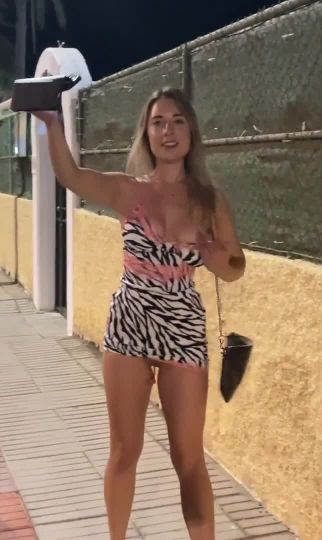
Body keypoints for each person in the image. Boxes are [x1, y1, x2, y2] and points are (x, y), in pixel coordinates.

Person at [32, 87, 246, 540]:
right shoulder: (127, 190)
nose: (168, 131)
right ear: (146, 133)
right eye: (158, 122)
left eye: (178, 121)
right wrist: (52, 123)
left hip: (183, 328)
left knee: (188, 457)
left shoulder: (211, 201)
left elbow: (235, 268)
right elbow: (70, 175)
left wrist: (216, 260)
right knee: (124, 451)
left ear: (191, 132)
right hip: (129, 323)